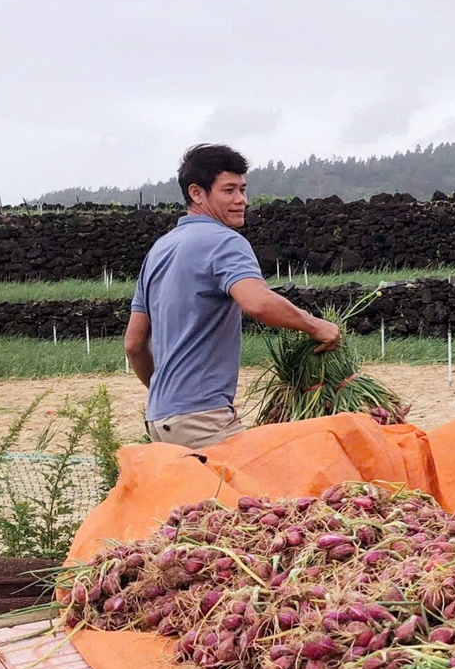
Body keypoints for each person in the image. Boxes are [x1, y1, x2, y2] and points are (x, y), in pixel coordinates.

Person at [123, 144, 341, 450]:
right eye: (229, 190)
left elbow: (133, 345)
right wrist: (318, 327)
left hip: (162, 419)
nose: (241, 200)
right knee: (259, 492)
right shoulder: (225, 242)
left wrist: (167, 394)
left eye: (242, 189)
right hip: (203, 419)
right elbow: (259, 303)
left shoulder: (159, 250)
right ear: (197, 193)